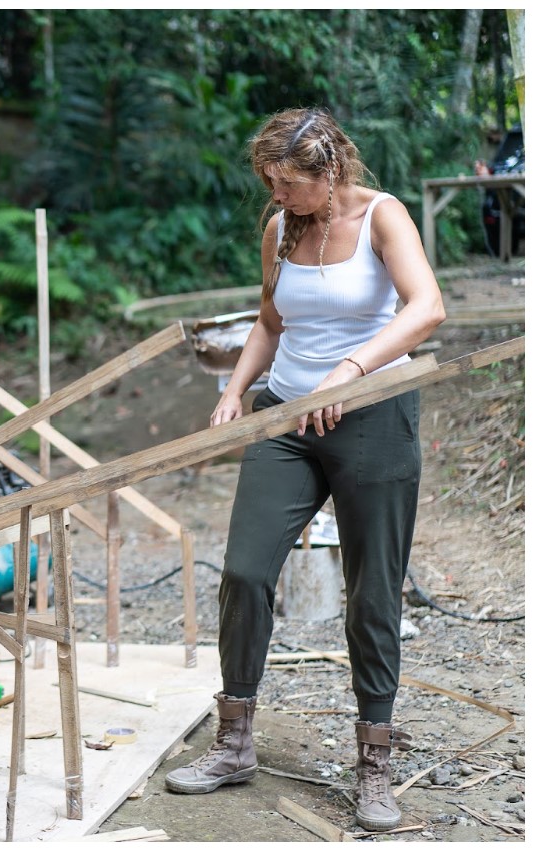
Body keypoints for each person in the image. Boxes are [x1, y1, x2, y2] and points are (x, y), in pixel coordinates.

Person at [163, 108, 445, 833]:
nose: (276, 195)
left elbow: (428, 308)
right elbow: (269, 322)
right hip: (287, 416)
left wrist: (348, 373)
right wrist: (232, 393)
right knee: (246, 572)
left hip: (373, 414)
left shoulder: (383, 217)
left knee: (372, 593)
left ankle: (374, 763)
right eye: (269, 183)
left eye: (288, 183)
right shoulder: (280, 228)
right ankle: (234, 742)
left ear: (332, 172)